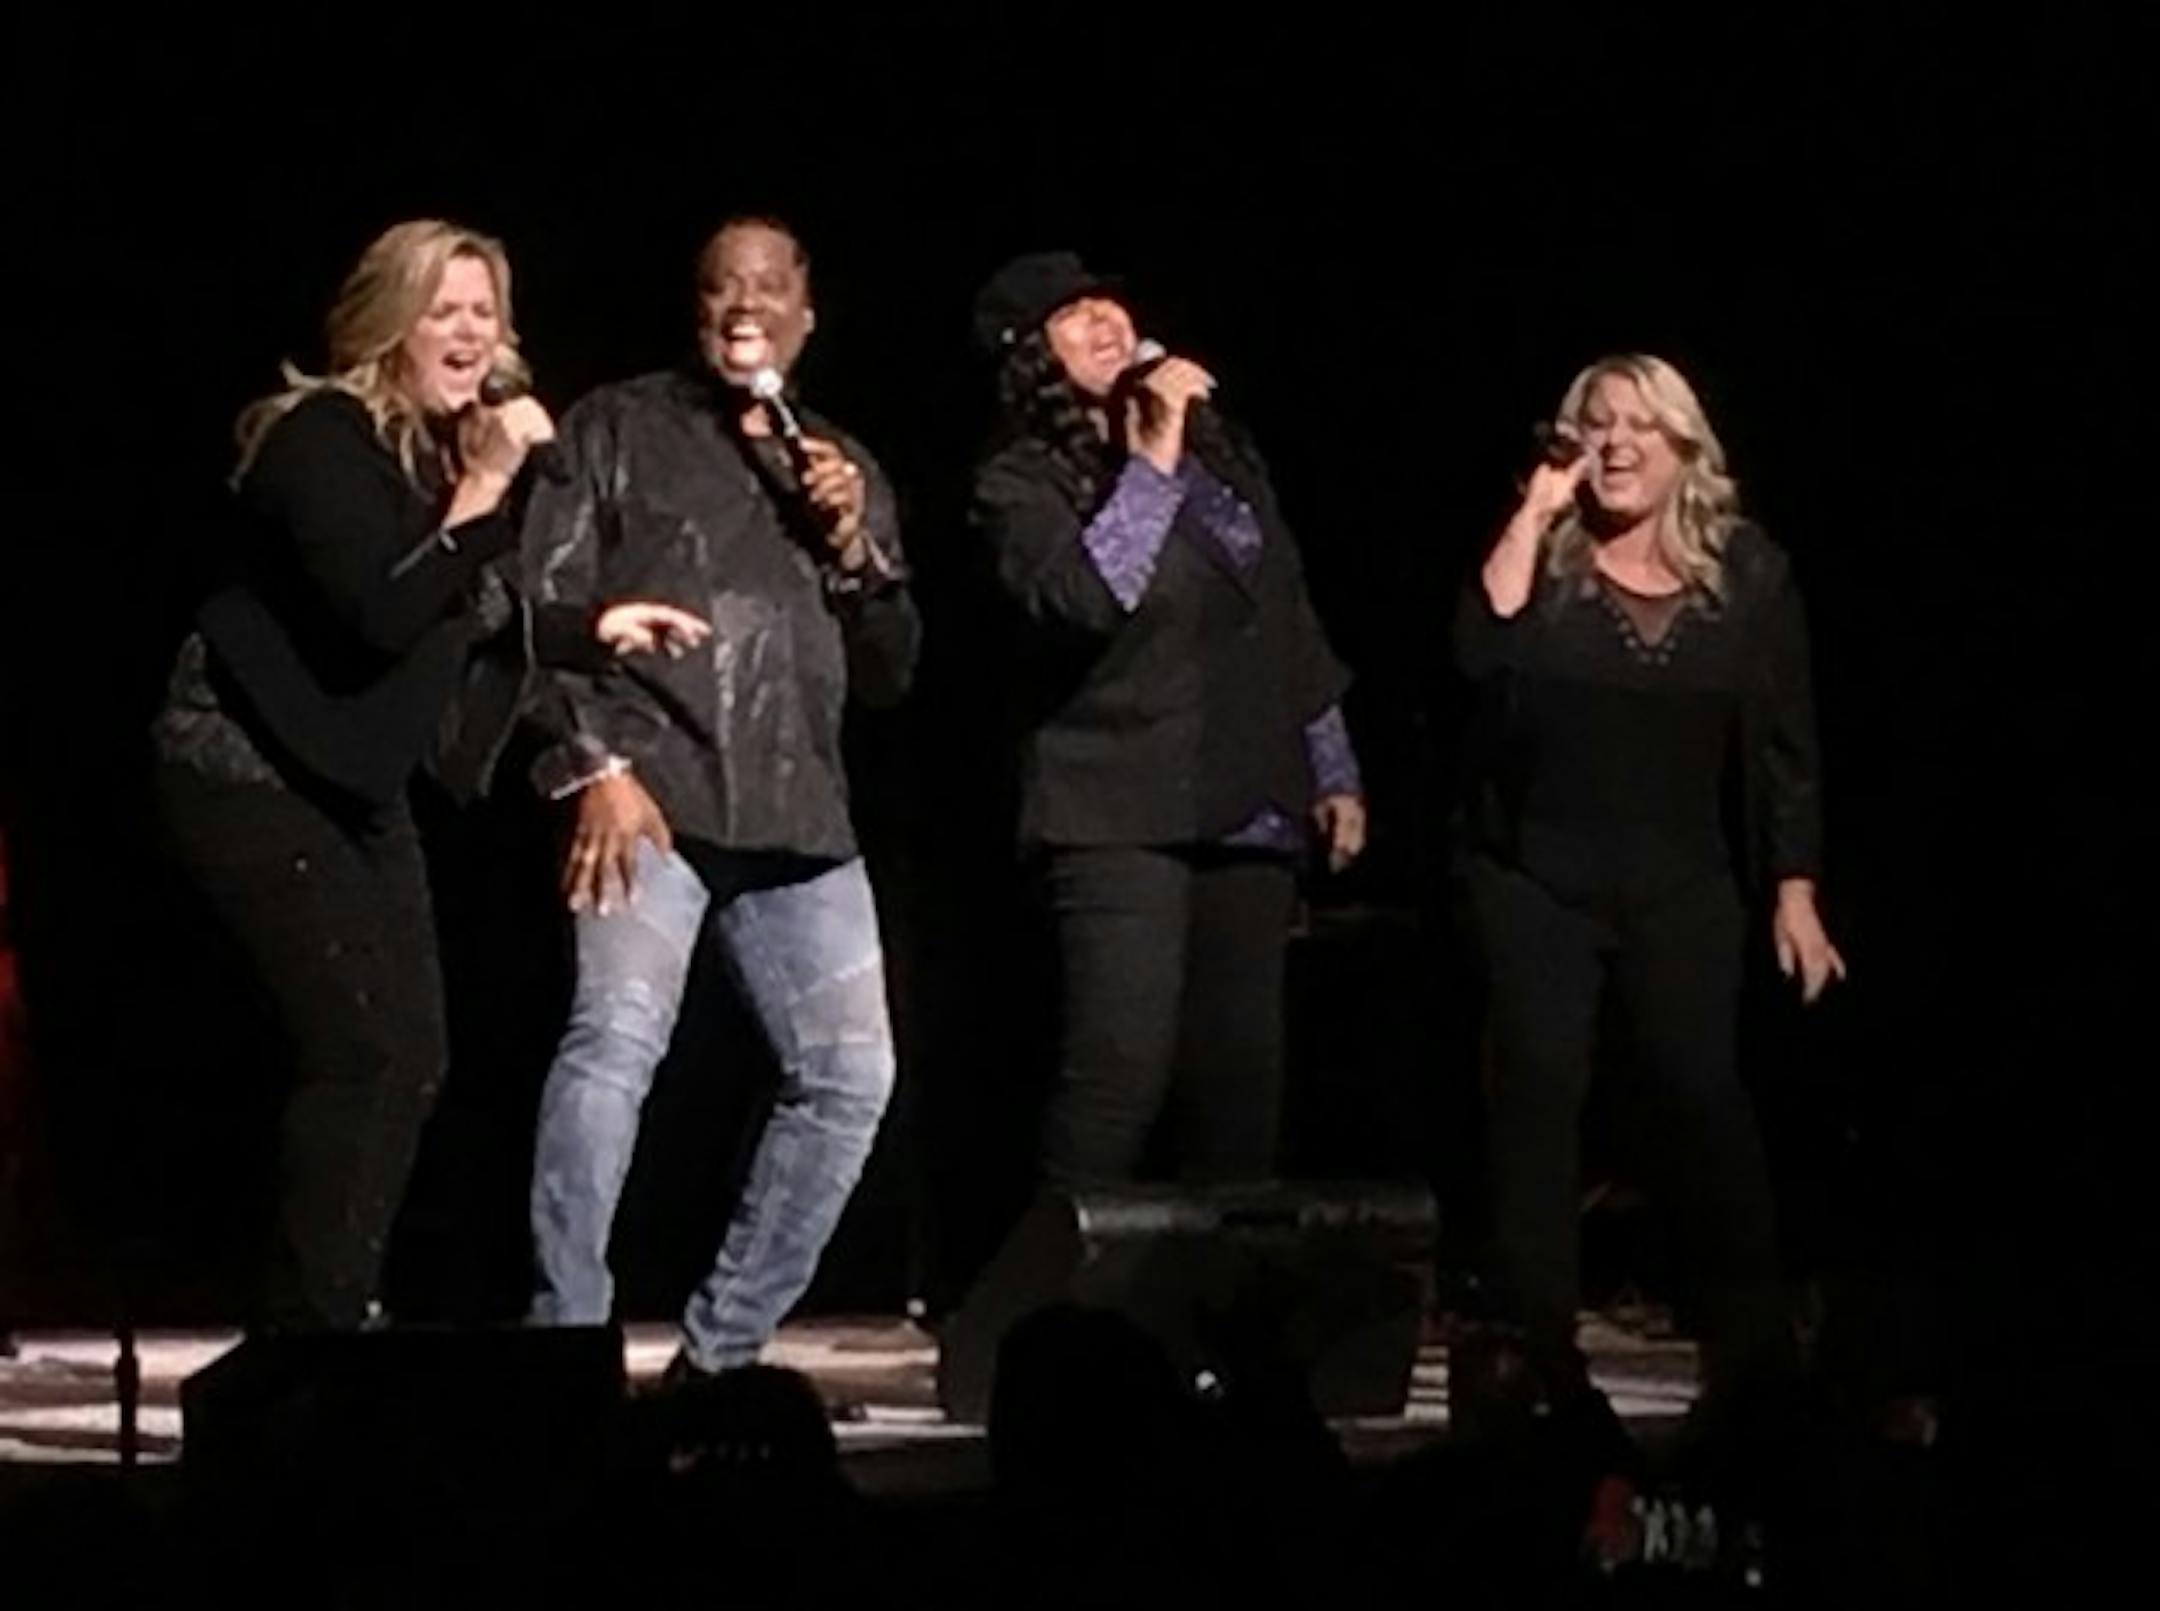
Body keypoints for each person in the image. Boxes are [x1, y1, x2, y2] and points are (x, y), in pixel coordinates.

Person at [149, 219, 704, 1331]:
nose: (469, 333)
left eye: (484, 312)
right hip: (248, 769)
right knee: (364, 1051)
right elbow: (385, 610)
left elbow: (468, 611)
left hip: (350, 780)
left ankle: (332, 1318)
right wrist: (490, 480)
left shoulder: (435, 459)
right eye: (441, 310)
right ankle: (310, 1336)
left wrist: (591, 626)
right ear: (387, 324)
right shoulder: (319, 439)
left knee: (411, 1055)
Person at [1454, 352, 1845, 1534]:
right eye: (1595, 426)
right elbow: (1476, 655)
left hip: (1683, 881)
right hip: (1536, 880)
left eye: (1638, 427)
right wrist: (1533, 511)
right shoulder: (1548, 560)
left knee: (1703, 1102)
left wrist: (1794, 889)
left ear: (1684, 448)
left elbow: (1784, 744)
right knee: (1537, 1098)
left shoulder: (1748, 575)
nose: (1615, 445)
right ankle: (1537, 1363)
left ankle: (1755, 1362)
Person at [522, 216, 917, 1382]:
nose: (744, 304)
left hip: (801, 817)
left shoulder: (838, 462)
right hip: (650, 793)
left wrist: (854, 545)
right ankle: (565, 1350)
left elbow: (893, 672)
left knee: (851, 1079)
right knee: (612, 1045)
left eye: (768, 287)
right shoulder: (616, 427)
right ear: (696, 310)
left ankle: (721, 1360)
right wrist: (592, 766)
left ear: (806, 315)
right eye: (720, 287)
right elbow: (537, 613)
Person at [969, 251, 1366, 1189]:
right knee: (1122, 1074)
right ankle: (1057, 1282)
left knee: (1240, 1084)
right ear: (1031, 355)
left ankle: (1225, 1284)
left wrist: (1332, 762)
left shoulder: (1219, 459)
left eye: (1108, 301)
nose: (1105, 320)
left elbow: (1284, 608)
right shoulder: (1019, 484)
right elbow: (1091, 596)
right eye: (1073, 315)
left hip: (1248, 793)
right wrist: (1148, 459)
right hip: (1115, 805)